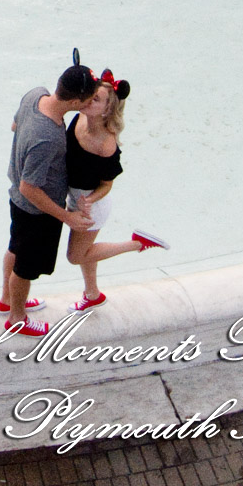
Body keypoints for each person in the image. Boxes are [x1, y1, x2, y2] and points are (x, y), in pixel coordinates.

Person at [0, 50, 101, 338]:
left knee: (14, 248)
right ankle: (17, 318)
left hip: (17, 203)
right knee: (26, 268)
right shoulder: (50, 136)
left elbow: (15, 125)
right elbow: (29, 187)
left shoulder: (35, 95)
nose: (91, 103)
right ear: (75, 102)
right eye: (89, 99)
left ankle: (7, 300)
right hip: (36, 210)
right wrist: (66, 216)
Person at [64, 68, 169, 312]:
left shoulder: (106, 145)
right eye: (90, 95)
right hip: (74, 197)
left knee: (76, 256)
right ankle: (92, 295)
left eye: (96, 100)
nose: (89, 100)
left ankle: (136, 244)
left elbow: (107, 185)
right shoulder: (79, 118)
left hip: (92, 205)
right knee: (87, 251)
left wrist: (88, 200)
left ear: (107, 110)